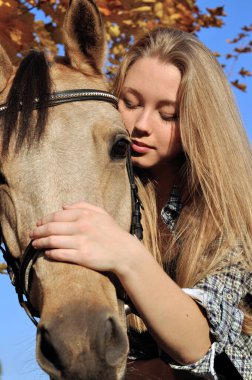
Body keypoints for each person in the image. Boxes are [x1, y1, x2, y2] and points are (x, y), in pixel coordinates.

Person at [29, 28, 252, 379]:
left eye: (168, 115)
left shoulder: (231, 218)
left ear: (200, 123)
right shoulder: (103, 189)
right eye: (130, 102)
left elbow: (198, 346)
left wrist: (126, 254)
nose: (140, 125)